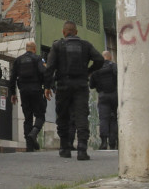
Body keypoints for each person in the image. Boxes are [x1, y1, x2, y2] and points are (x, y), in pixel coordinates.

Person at [44, 21, 104, 160]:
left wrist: (47, 86)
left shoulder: (57, 45)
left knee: (63, 116)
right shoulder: (86, 45)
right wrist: (88, 72)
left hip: (63, 86)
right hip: (81, 86)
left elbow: (50, 68)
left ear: (63, 32)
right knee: (81, 116)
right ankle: (82, 150)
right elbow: (99, 59)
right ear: (76, 32)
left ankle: (65, 148)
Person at [9, 41, 47, 151]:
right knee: (40, 115)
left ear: (26, 49)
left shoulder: (18, 60)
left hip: (23, 92)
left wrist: (13, 93)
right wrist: (48, 87)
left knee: (28, 118)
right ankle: (34, 132)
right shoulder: (38, 58)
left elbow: (12, 78)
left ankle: (29, 146)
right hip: (36, 90)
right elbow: (43, 72)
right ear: (34, 49)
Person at [89, 50, 119, 151]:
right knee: (114, 118)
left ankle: (104, 142)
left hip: (102, 96)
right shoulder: (114, 66)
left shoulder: (96, 68)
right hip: (114, 95)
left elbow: (91, 85)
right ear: (110, 57)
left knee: (103, 119)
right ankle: (113, 143)